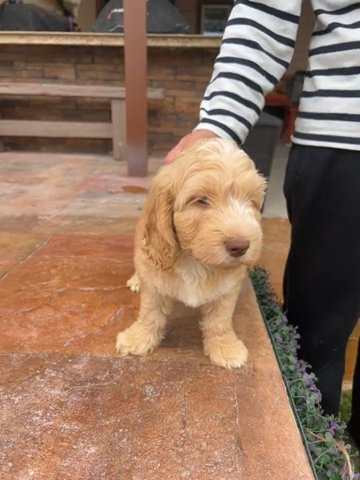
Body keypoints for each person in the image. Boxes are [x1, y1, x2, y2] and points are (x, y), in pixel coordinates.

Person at [164, 0, 360, 447]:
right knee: (318, 326)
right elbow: (263, 14)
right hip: (344, 142)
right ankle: (312, 446)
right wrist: (217, 125)